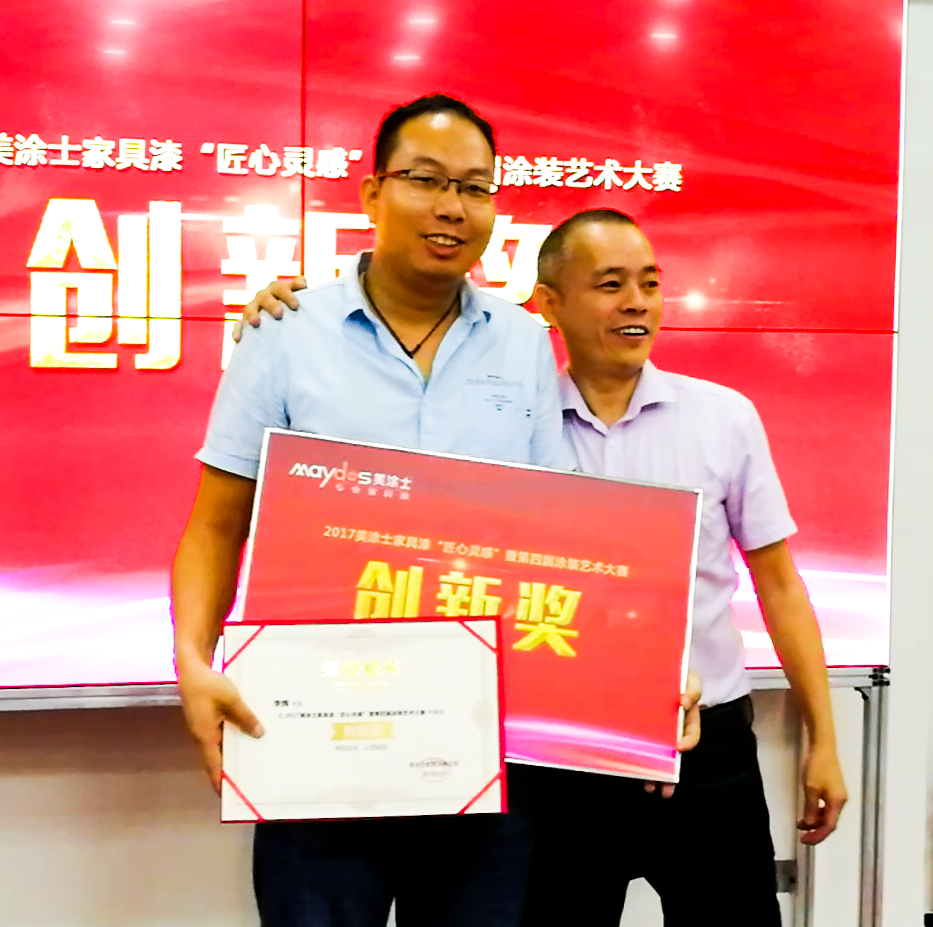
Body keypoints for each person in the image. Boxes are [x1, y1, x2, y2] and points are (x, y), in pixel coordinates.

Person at [237, 208, 848, 926]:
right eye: (610, 285)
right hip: (560, 762)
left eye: (650, 283)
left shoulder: (725, 418)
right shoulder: (509, 428)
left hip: (704, 750)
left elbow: (781, 586)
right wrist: (294, 313)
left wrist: (823, 739)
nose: (637, 303)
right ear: (549, 304)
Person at [171, 93, 573, 927]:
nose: (453, 207)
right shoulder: (287, 330)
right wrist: (192, 661)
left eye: (476, 187)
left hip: (477, 735)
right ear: (372, 193)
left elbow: (557, 532)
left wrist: (644, 666)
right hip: (315, 726)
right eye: (426, 179)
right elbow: (215, 524)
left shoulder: (524, 342)